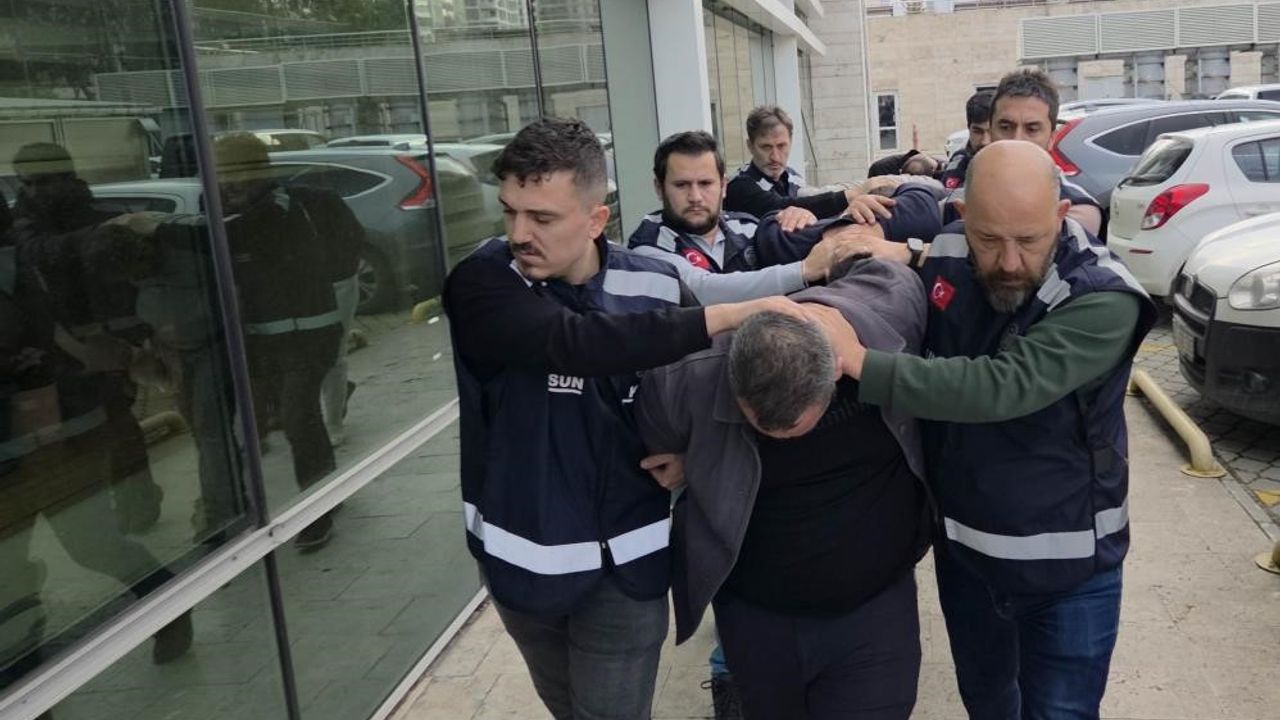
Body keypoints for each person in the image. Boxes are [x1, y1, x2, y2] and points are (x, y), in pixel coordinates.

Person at [442, 117, 801, 720]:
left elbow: (699, 389)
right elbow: (577, 343)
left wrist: (690, 452)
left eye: (542, 218)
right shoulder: (484, 282)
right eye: (510, 213)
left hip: (629, 565)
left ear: (596, 219)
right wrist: (733, 313)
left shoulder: (656, 284)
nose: (519, 234)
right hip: (525, 561)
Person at [838, 141, 1158, 720]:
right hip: (969, 561)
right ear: (963, 217)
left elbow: (1003, 386)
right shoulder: (947, 249)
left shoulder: (1103, 297)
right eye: (988, 239)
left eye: (1029, 240)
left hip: (1070, 574)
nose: (1009, 261)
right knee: (987, 703)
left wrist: (862, 364)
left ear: (1061, 216)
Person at [636, 258, 934, 720]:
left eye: (795, 429)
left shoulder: (892, 319)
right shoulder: (685, 380)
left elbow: (899, 271)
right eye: (761, 429)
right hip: (757, 617)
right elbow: (655, 449)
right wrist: (697, 457)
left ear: (836, 373)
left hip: (875, 612)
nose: (782, 441)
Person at [8, 142, 165, 535]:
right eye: (29, 183)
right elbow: (38, 253)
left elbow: (129, 281)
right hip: (53, 347)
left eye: (46, 181)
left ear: (68, 177)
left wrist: (137, 338)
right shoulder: (23, 227)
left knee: (117, 423)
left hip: (105, 339)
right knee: (86, 434)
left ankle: (135, 504)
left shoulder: (96, 216)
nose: (37, 191)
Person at [212, 133, 347, 550]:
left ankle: (316, 510)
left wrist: (314, 288)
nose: (230, 181)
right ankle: (326, 485)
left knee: (297, 416)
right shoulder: (220, 208)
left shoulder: (283, 205)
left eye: (237, 170)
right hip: (260, 339)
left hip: (310, 334)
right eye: (222, 172)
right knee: (290, 419)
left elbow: (346, 247)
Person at [628, 130, 872, 305]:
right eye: (682, 185)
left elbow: (797, 243)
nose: (695, 197)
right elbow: (702, 290)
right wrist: (803, 270)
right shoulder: (648, 245)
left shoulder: (745, 226)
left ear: (723, 186)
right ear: (659, 188)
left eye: (705, 184)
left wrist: (819, 219)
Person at [980, 68, 1103, 235]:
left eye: (1032, 129)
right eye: (1005, 127)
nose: (1017, 140)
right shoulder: (960, 199)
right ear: (990, 131)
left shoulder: (1076, 210)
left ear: (1052, 137)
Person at [724, 106, 863, 219]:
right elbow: (781, 207)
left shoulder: (792, 177)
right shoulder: (738, 186)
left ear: (790, 142)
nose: (775, 156)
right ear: (750, 146)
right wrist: (847, 196)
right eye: (766, 147)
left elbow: (811, 200)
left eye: (781, 146)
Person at [939, 91, 994, 191]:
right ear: (969, 128)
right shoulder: (959, 159)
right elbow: (948, 195)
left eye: (991, 132)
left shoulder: (1016, 164)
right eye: (978, 131)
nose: (984, 141)